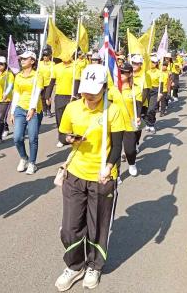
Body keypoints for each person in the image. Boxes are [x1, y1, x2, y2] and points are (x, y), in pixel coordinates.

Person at [55, 64, 124, 291]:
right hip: (74, 174)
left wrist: (109, 166)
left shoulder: (113, 111)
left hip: (102, 177)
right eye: (85, 90)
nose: (89, 95)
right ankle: (75, 266)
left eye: (94, 91)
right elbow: (62, 133)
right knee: (70, 227)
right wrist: (68, 139)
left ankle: (94, 265)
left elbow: (117, 146)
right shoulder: (72, 108)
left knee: (97, 226)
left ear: (104, 88)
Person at [9, 50, 44, 175]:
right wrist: (12, 112)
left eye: (25, 58)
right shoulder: (18, 76)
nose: (22, 60)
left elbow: (37, 93)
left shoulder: (37, 75)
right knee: (17, 137)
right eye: (21, 59)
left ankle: (32, 163)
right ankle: (24, 158)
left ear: (32, 61)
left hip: (34, 110)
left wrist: (32, 108)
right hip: (20, 108)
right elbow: (16, 94)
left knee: (33, 138)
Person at [108, 62, 142, 177]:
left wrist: (138, 117)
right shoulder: (113, 89)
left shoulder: (135, 90)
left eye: (124, 72)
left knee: (130, 150)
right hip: (115, 124)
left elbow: (138, 105)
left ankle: (132, 163)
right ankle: (116, 175)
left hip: (129, 124)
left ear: (130, 74)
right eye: (120, 71)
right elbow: (109, 105)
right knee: (115, 150)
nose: (121, 74)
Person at [45, 57, 80, 148]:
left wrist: (75, 95)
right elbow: (52, 82)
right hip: (60, 95)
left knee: (72, 118)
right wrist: (47, 95)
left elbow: (77, 81)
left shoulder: (76, 66)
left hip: (72, 96)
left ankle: (72, 136)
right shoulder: (56, 67)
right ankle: (62, 139)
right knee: (59, 118)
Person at [144, 56, 161, 133]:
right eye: (152, 62)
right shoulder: (147, 72)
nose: (153, 64)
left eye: (154, 62)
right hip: (147, 90)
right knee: (146, 109)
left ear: (157, 63)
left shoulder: (159, 72)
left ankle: (151, 124)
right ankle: (147, 124)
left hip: (155, 91)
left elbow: (161, 84)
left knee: (152, 108)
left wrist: (160, 93)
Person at [39, 49, 55, 116]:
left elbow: (53, 73)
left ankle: (48, 109)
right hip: (41, 82)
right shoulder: (40, 63)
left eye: (46, 56)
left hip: (49, 83)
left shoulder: (52, 64)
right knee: (42, 97)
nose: (45, 57)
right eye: (44, 55)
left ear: (49, 56)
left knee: (47, 96)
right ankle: (44, 110)